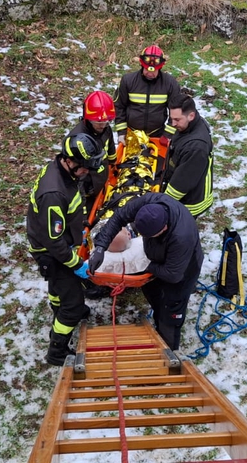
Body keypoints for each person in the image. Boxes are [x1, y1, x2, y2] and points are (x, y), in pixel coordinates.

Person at [88, 192, 203, 351]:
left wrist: (147, 266)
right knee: (153, 293)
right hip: (158, 260)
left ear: (164, 228)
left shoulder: (181, 237)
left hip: (182, 269)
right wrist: (100, 247)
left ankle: (168, 349)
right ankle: (158, 316)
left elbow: (173, 274)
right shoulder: (149, 202)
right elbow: (118, 218)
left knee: (171, 309)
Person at [27, 132, 104, 365]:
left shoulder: (62, 173)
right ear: (70, 161)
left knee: (58, 286)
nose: (87, 172)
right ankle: (57, 350)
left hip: (57, 242)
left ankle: (57, 307)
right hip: (52, 252)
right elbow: (54, 242)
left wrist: (77, 229)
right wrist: (77, 265)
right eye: (84, 168)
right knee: (73, 304)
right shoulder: (53, 193)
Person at [161, 93, 214, 218]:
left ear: (191, 115)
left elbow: (180, 184)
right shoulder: (189, 125)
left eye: (177, 120)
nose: (173, 124)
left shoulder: (196, 147)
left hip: (190, 204)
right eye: (171, 118)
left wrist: (162, 203)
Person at [114, 44, 181, 143]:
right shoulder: (128, 81)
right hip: (132, 134)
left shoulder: (170, 83)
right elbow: (119, 106)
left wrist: (168, 135)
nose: (150, 73)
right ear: (142, 64)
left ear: (160, 67)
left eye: (154, 71)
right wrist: (121, 132)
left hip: (158, 134)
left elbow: (176, 111)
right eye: (147, 69)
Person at [68, 90, 118, 203]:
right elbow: (74, 175)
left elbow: (110, 146)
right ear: (88, 118)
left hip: (101, 178)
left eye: (106, 121)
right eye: (98, 122)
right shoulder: (77, 140)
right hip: (88, 187)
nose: (102, 125)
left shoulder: (106, 129)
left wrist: (113, 162)